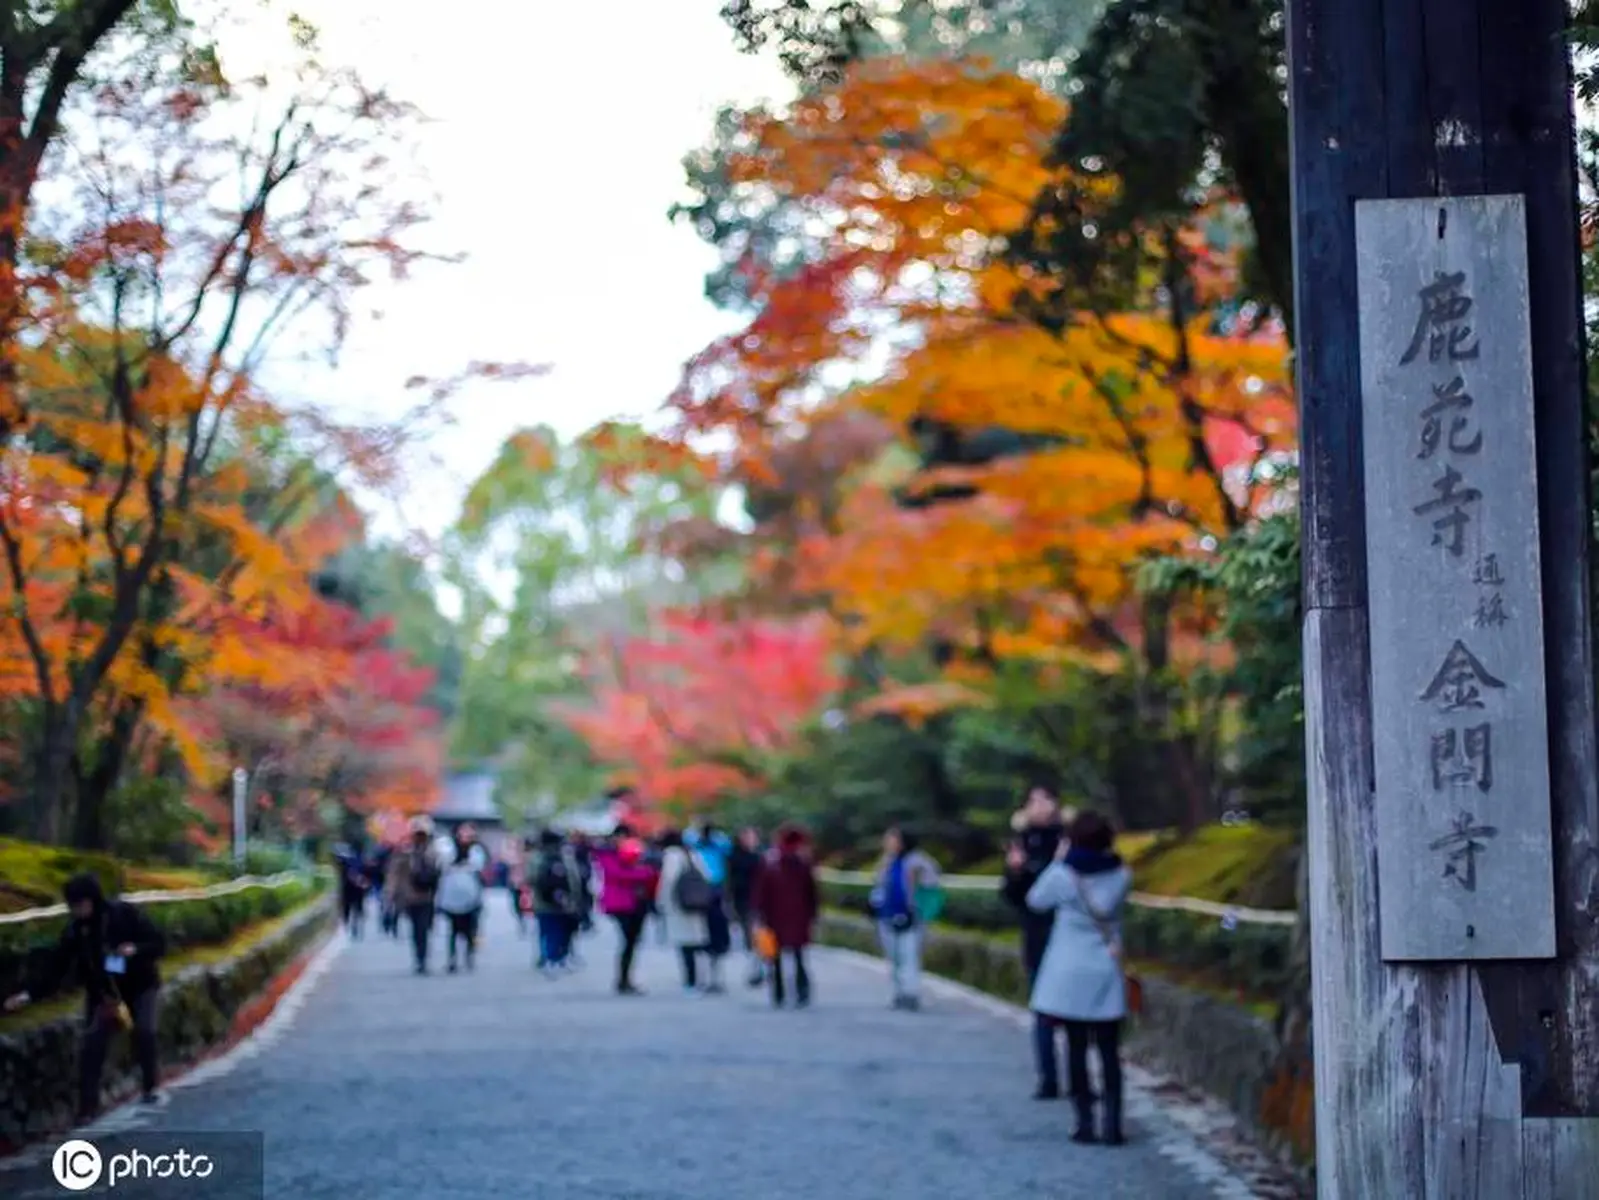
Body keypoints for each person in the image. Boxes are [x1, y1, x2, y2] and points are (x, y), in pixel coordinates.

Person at [3, 874, 167, 1121]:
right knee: (92, 1044)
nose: (77, 910)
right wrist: (29, 995)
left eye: (80, 904)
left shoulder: (123, 914)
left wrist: (135, 950)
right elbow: (57, 968)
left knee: (144, 1031)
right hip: (104, 994)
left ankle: (150, 1085)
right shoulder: (75, 931)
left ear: (92, 900)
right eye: (73, 906)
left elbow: (158, 942)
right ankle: (88, 1107)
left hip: (140, 985)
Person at [1026, 809, 1133, 1146]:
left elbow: (1035, 901)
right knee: (1108, 1051)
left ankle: (1084, 1123)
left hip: (1069, 971)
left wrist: (1058, 860)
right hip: (1105, 968)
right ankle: (1113, 1125)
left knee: (1075, 1049)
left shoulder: (1062, 874)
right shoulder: (1122, 874)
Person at [1001, 782, 1069, 1099]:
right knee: (1042, 1007)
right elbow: (1014, 896)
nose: (1039, 805)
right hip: (1036, 933)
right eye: (1033, 800)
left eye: (1045, 799)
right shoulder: (1021, 841)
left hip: (1069, 934)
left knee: (1073, 1012)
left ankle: (1079, 1074)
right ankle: (1048, 1076)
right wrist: (1016, 871)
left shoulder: (1067, 840)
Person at [869, 827, 941, 1011]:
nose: (888, 843)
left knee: (909, 955)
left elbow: (932, 886)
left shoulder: (918, 862)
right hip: (887, 916)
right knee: (894, 957)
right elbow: (879, 886)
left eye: (892, 839)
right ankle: (898, 992)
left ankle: (911, 993)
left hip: (911, 917)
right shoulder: (887, 862)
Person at [752, 824, 818, 1008]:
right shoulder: (802, 862)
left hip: (775, 916)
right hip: (798, 916)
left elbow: (761, 891)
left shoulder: (771, 862)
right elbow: (812, 893)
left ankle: (779, 993)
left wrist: (759, 913)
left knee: (776, 957)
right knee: (798, 955)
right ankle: (801, 991)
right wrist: (813, 915)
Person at [594, 829, 657, 995]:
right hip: (621, 903)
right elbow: (617, 874)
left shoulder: (639, 854)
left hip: (638, 903)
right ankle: (623, 979)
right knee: (628, 940)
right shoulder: (608, 855)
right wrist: (643, 872)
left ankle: (626, 978)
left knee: (632, 942)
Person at [656, 829, 713, 992]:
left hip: (679, 905)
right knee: (697, 943)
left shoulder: (671, 855)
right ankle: (701, 978)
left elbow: (668, 881)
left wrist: (661, 903)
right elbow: (706, 876)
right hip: (696, 903)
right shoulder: (693, 854)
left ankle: (691, 981)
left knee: (685, 945)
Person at [386, 816, 443, 974]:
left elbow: (440, 873)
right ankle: (420, 958)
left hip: (428, 896)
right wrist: (391, 894)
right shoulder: (405, 853)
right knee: (417, 929)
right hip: (410, 896)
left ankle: (422, 958)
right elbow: (395, 874)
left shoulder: (434, 852)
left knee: (424, 928)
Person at [686, 821, 734, 992]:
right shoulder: (695, 846)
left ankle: (713, 976)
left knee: (716, 935)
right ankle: (703, 977)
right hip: (700, 892)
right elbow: (687, 839)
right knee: (701, 936)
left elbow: (727, 846)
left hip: (716, 891)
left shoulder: (717, 845)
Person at [531, 829, 583, 974]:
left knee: (548, 931)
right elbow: (575, 879)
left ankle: (549, 958)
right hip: (564, 902)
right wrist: (574, 898)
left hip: (542, 902)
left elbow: (531, 878)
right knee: (560, 931)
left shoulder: (537, 857)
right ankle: (556, 958)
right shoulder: (565, 856)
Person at [437, 828, 487, 973]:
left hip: (471, 896)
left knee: (470, 930)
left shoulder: (476, 851)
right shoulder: (448, 850)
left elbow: (479, 869)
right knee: (453, 931)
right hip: (452, 896)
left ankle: (468, 957)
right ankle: (452, 959)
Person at [727, 826, 765, 987]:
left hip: (758, 901)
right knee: (750, 933)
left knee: (758, 933)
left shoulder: (760, 856)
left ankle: (758, 966)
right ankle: (755, 966)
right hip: (743, 900)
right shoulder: (735, 857)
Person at [335, 842, 369, 939]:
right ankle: (353, 926)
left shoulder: (346, 860)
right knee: (355, 908)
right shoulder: (360, 860)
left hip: (349, 888)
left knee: (348, 908)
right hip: (356, 888)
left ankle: (349, 926)